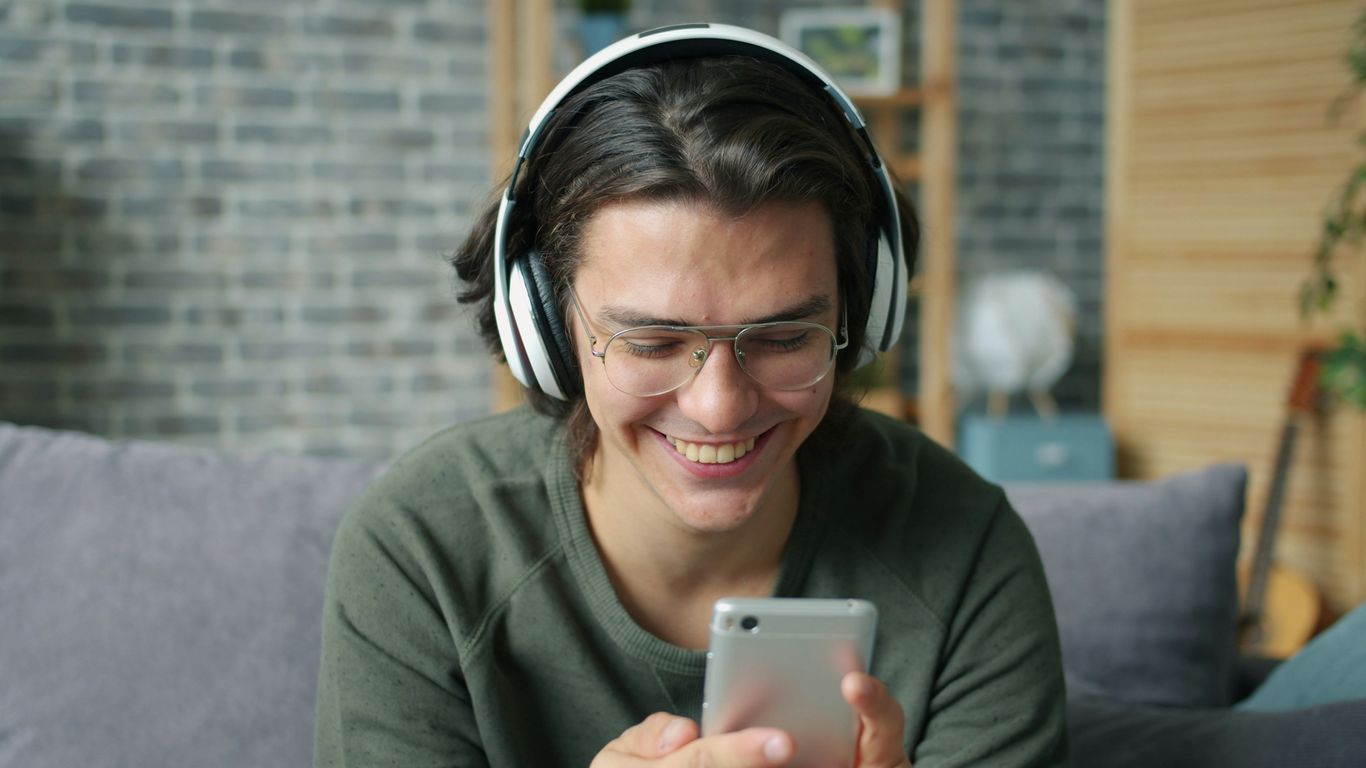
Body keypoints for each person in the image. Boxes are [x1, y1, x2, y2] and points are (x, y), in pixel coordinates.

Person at [313, 24, 1068, 768]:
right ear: (546, 328)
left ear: (858, 318)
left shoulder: (966, 548)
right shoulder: (419, 549)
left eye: (783, 338)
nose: (719, 407)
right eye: (650, 344)